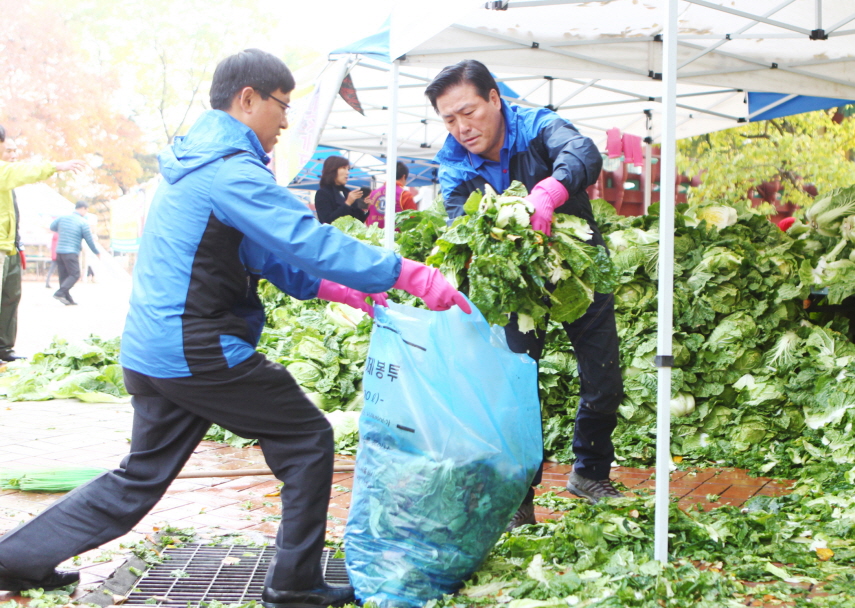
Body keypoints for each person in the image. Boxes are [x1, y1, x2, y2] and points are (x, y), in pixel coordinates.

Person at [0, 49, 469, 608]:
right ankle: (294, 585)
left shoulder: (197, 161)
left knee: (138, 479)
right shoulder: (229, 167)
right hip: (196, 347)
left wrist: (343, 289)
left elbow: (263, 255)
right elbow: (306, 239)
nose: (286, 122)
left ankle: (14, 559)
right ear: (247, 100)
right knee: (307, 440)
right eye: (282, 106)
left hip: (155, 348)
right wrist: (408, 274)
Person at [425, 60, 624, 528]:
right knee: (513, 389)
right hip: (512, 282)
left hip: (577, 267)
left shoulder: (536, 126)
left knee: (603, 377)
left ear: (495, 98)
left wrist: (551, 192)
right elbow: (459, 220)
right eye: (449, 120)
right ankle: (518, 496)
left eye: (468, 111)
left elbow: (582, 151)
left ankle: (590, 473)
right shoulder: (454, 162)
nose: (461, 127)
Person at [0, 126, 86, 358]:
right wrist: (56, 166)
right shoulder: (6, 172)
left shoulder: (8, 175)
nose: (13, 154)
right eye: (8, 148)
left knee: (10, 296)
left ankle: (3, 348)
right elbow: (22, 172)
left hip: (9, 245)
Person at [49, 201, 100, 305]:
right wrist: (96, 251)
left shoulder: (62, 218)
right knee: (75, 274)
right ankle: (60, 293)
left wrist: (63, 230)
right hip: (71, 252)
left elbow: (52, 227)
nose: (86, 213)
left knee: (64, 276)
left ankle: (68, 299)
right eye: (86, 210)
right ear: (82, 208)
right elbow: (89, 239)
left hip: (59, 251)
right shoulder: (83, 222)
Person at [364, 161, 418, 228]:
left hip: (374, 236)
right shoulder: (405, 195)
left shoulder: (372, 194)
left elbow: (367, 218)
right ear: (404, 177)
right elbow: (413, 221)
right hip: (396, 237)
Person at [314, 156, 366, 224]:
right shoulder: (323, 193)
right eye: (344, 168)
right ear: (332, 170)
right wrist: (347, 203)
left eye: (348, 169)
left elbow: (358, 220)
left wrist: (366, 208)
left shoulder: (347, 192)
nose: (347, 172)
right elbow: (327, 221)